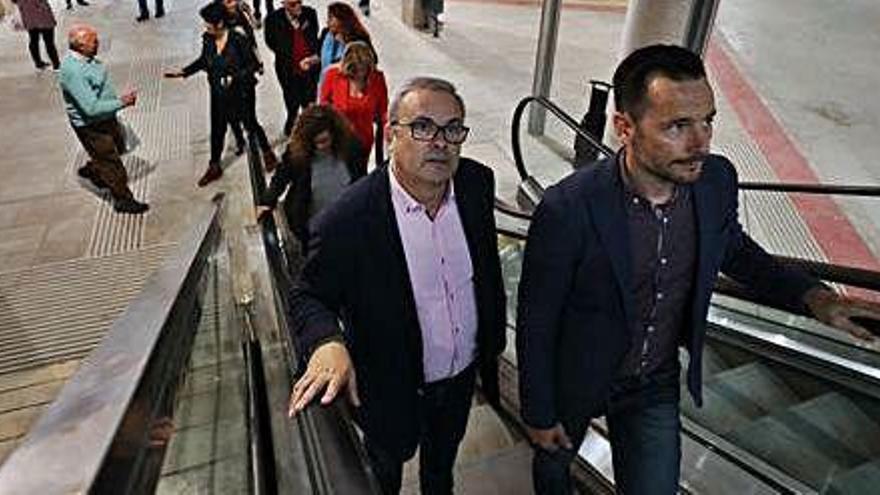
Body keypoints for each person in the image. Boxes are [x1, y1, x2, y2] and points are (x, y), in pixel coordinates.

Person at [515, 43, 880, 495]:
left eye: (707, 120)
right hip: (575, 375)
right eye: (677, 126)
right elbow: (536, 319)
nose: (700, 142)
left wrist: (816, 299)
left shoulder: (716, 181)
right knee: (553, 471)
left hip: (655, 384)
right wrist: (538, 411)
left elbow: (738, 253)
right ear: (624, 127)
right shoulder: (568, 208)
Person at [287, 77, 506, 495]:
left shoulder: (477, 184)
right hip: (391, 387)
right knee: (381, 475)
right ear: (390, 136)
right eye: (423, 127)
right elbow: (308, 294)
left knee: (441, 470)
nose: (440, 142)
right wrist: (327, 342)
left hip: (461, 379)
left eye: (452, 128)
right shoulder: (349, 219)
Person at [165, 3, 279, 187]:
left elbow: (252, 65)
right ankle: (214, 165)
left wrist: (234, 77)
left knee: (250, 123)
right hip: (218, 93)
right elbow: (204, 60)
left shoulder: (238, 40)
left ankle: (267, 153)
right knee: (217, 129)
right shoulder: (208, 39)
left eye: (208, 23)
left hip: (241, 92)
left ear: (219, 23)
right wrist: (184, 72)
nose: (206, 27)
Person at [59, 24, 148, 214]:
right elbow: (90, 109)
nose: (98, 43)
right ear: (80, 47)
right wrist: (122, 102)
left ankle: (93, 169)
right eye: (94, 41)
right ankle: (123, 200)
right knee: (111, 162)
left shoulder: (86, 58)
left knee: (118, 146)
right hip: (92, 125)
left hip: (106, 116)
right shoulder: (73, 71)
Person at [256, 105, 365, 245]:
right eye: (316, 142)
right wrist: (267, 201)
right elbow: (281, 176)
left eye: (324, 140)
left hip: (345, 224)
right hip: (312, 227)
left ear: (334, 133)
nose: (321, 146)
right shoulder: (298, 155)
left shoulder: (351, 148)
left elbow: (361, 182)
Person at [320, 41, 387, 167]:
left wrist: (381, 154)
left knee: (359, 177)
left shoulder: (377, 79)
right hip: (337, 142)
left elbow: (383, 114)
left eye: (364, 68)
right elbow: (323, 109)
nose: (360, 73)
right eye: (356, 69)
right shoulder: (332, 76)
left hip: (363, 142)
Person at [264, 0, 320, 137]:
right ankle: (292, 123)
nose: (298, 6)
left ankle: (309, 129)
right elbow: (271, 42)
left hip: (309, 68)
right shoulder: (272, 19)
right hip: (287, 69)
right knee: (292, 101)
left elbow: (314, 35)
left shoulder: (310, 14)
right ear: (283, 3)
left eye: (299, 2)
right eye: (293, 4)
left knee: (310, 101)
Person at [318, 2, 375, 88]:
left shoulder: (358, 37)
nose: (328, 21)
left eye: (331, 18)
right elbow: (320, 55)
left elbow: (372, 60)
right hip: (326, 85)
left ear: (342, 19)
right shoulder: (326, 33)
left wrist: (346, 43)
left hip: (349, 88)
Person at [12, 0, 60, 70]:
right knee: (48, 41)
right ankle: (56, 64)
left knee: (34, 39)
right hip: (41, 12)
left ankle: (39, 63)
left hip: (28, 13)